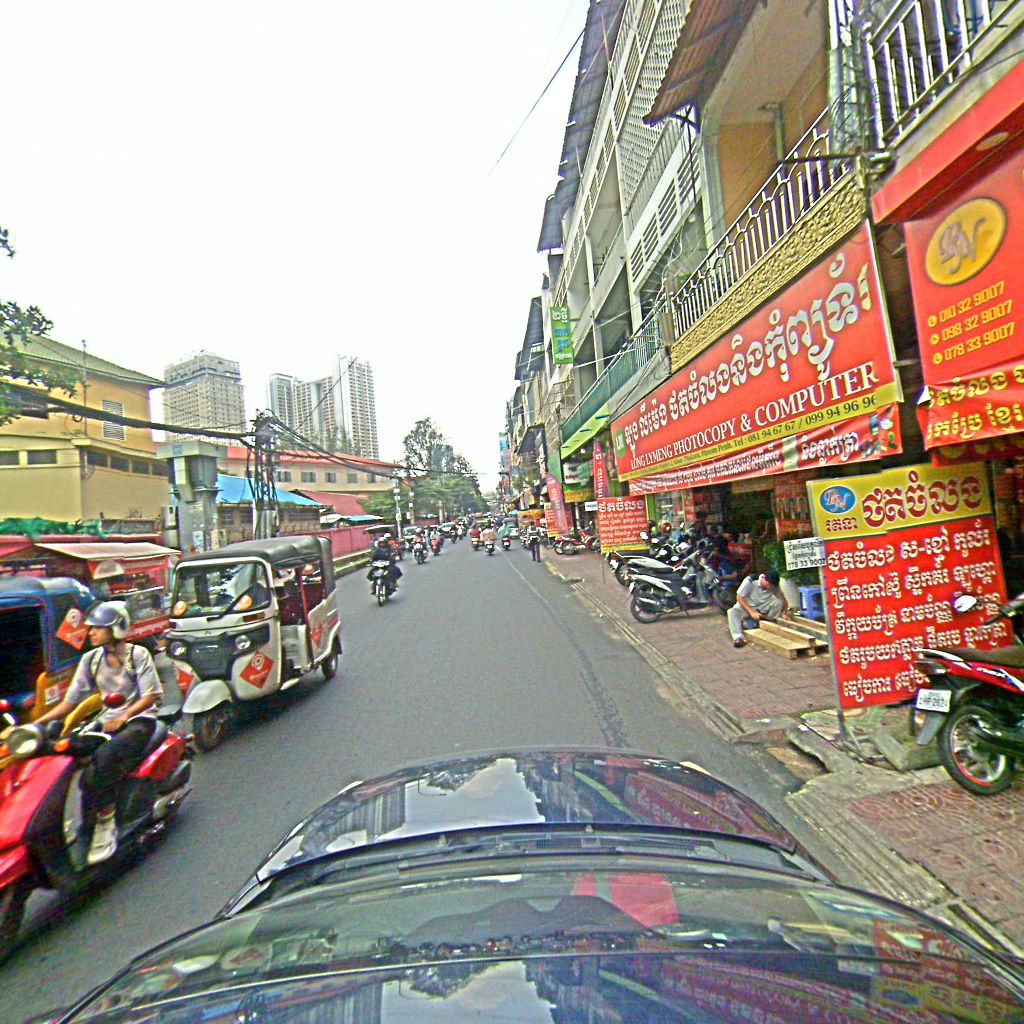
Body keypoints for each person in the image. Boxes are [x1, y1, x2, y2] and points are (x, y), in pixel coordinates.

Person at [36, 602, 162, 864]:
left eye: (97, 628)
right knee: (60, 748)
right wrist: (37, 725)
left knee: (104, 757)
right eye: (90, 628)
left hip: (139, 721)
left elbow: (149, 696)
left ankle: (105, 819)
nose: (90, 633)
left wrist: (124, 716)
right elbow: (69, 703)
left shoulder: (138, 655)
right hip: (105, 722)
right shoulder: (90, 660)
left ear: (115, 629)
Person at [728, 569, 790, 648]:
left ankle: (769, 626)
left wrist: (784, 613)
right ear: (763, 578)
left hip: (762, 606)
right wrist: (751, 612)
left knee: (779, 603)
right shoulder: (750, 580)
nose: (769, 587)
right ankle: (739, 637)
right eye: (768, 584)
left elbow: (783, 599)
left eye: (771, 586)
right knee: (732, 612)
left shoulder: (774, 585)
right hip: (747, 605)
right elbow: (739, 597)